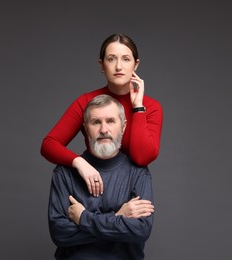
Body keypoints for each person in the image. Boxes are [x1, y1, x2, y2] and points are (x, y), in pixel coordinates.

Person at [41, 33, 163, 197]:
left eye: (126, 59)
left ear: (136, 64)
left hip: (130, 189)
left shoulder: (151, 107)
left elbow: (142, 158)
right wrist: (80, 163)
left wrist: (138, 107)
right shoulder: (86, 101)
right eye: (111, 59)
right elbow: (49, 145)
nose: (119, 66)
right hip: (92, 186)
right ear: (101, 65)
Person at [48, 94, 154, 260]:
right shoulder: (64, 173)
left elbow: (140, 230)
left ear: (124, 126)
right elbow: (60, 233)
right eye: (96, 122)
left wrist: (83, 218)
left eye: (111, 121)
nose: (103, 129)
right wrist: (118, 216)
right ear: (85, 127)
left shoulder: (138, 172)